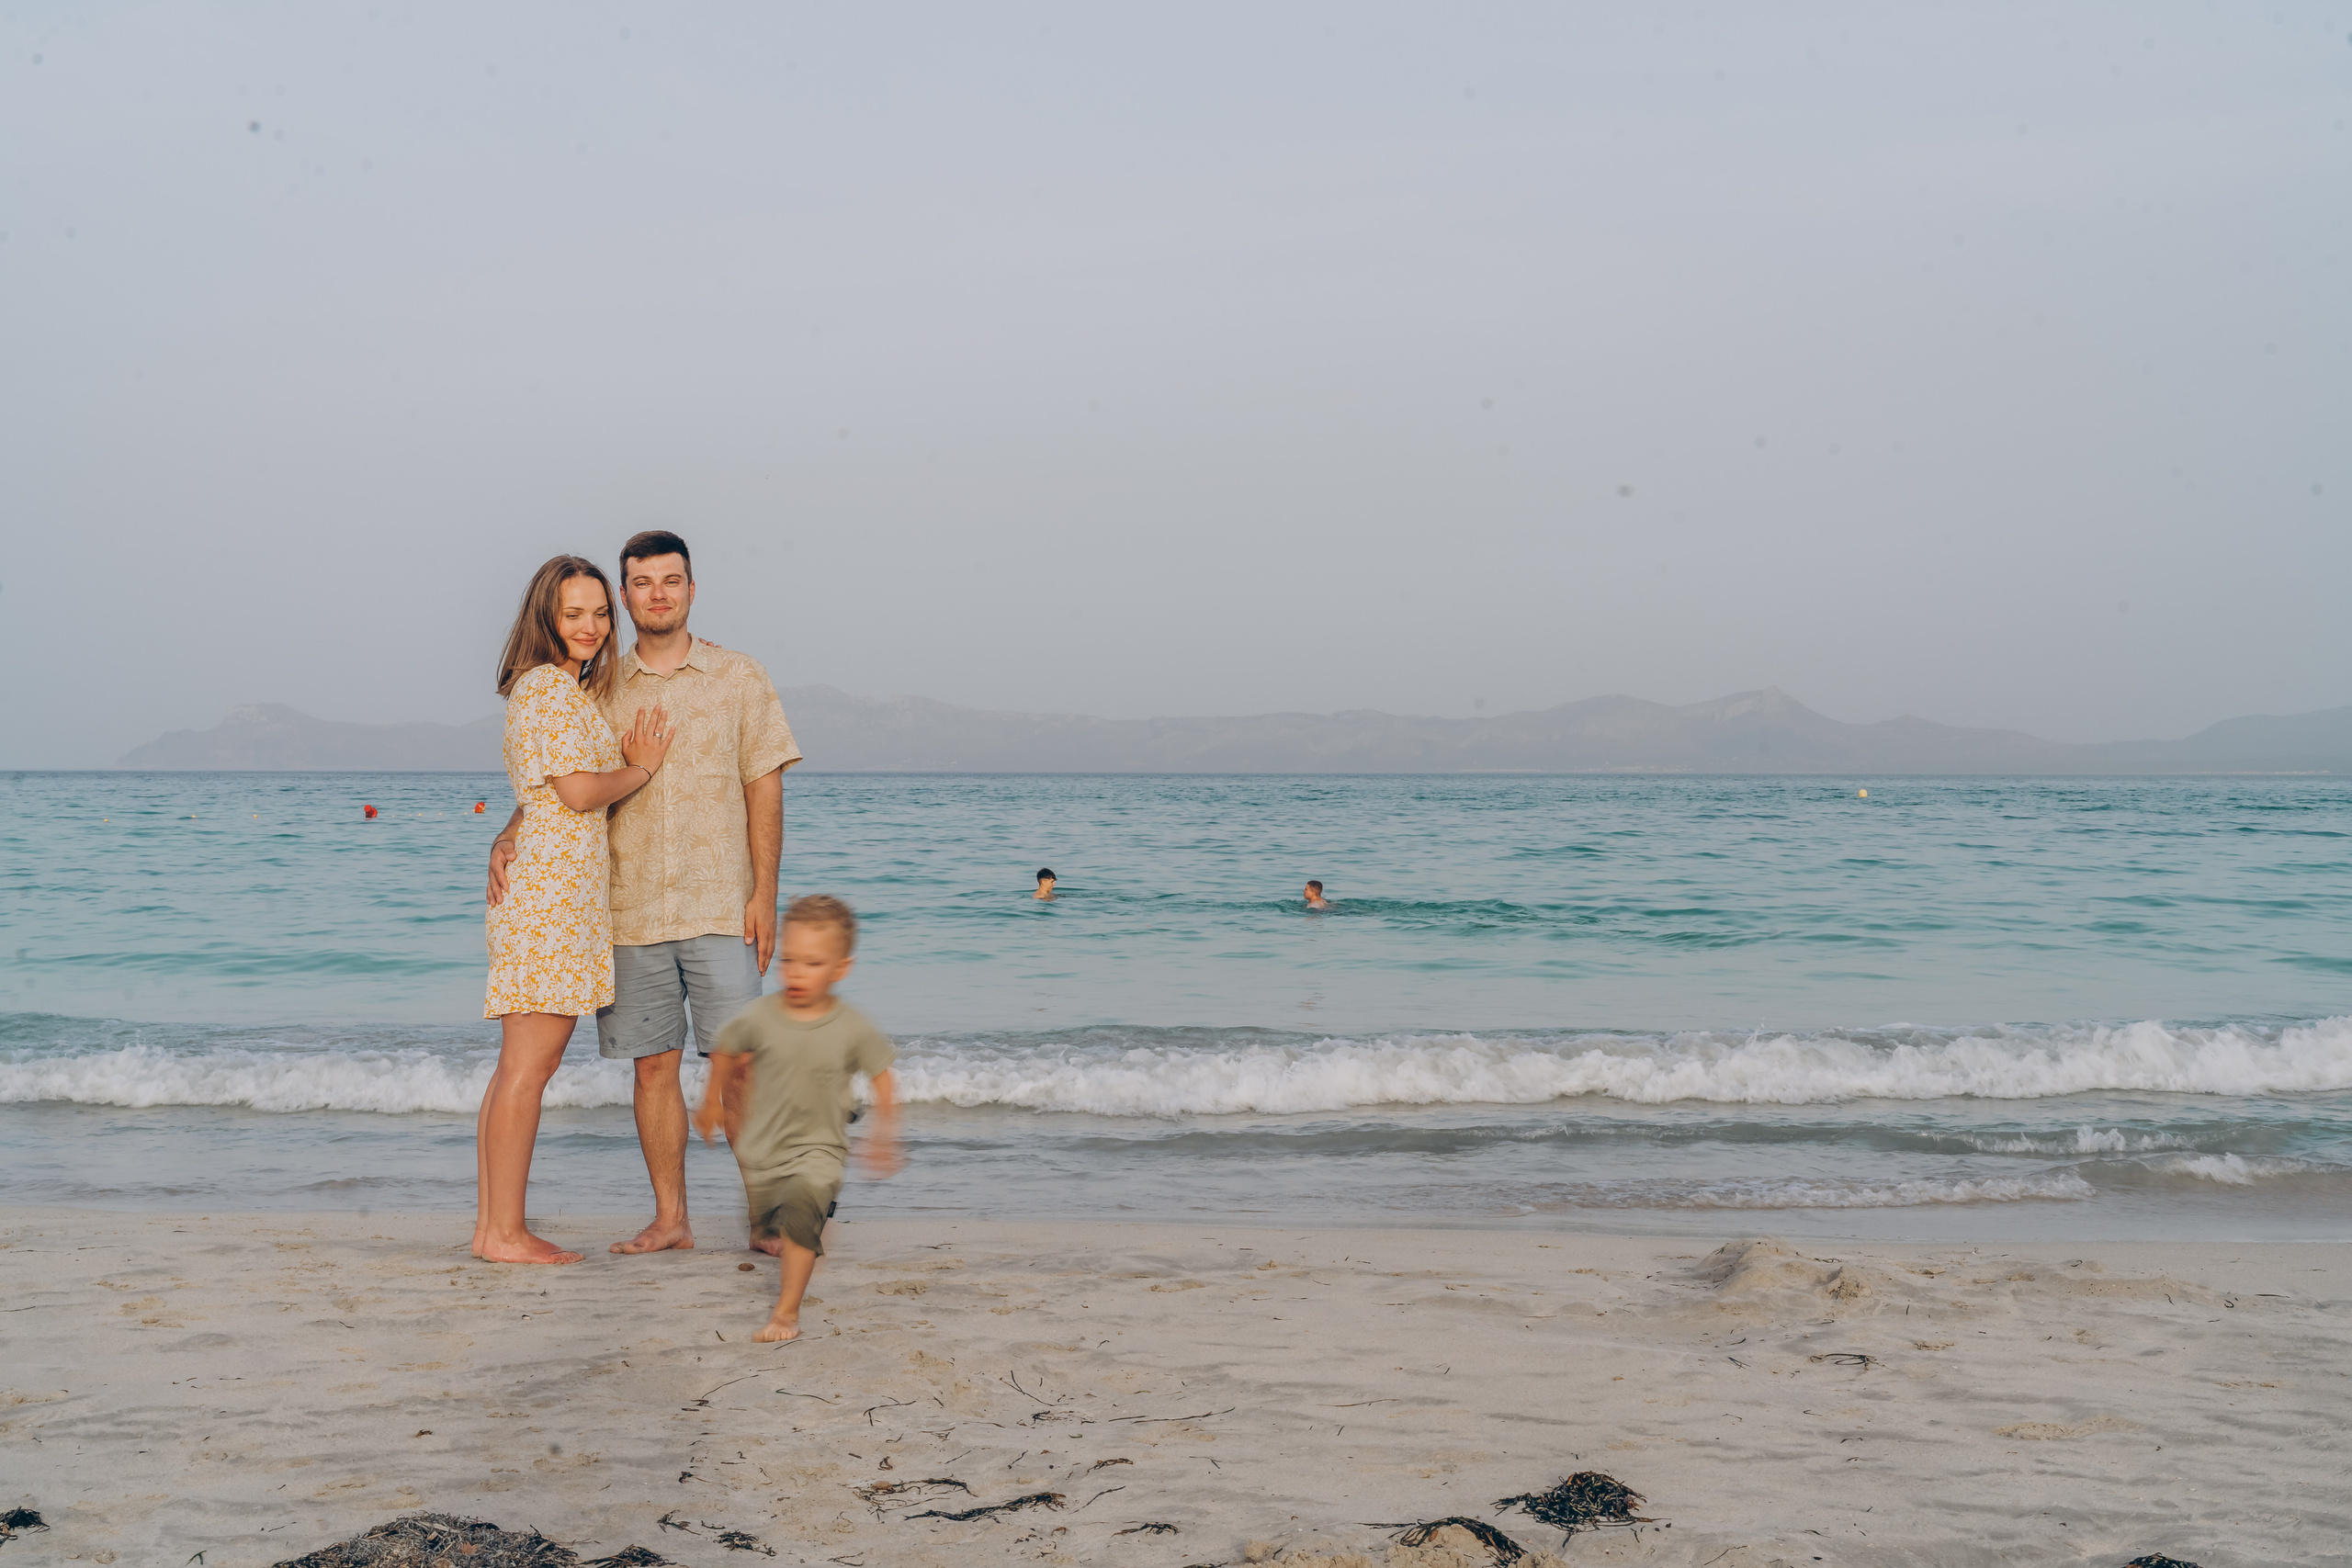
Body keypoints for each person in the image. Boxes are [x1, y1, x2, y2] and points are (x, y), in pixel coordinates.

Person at [488, 529, 802, 1257]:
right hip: (625, 911)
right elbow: (555, 777)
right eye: (642, 583)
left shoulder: (739, 677)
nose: (657, 593)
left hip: (722, 900)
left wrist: (767, 892)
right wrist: (507, 834)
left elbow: (766, 785)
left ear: (692, 589)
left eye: (671, 580)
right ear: (626, 597)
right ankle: (671, 1219)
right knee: (652, 1065)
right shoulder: (598, 684)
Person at [476, 556, 671, 1265]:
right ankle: (504, 1232)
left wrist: (510, 827)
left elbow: (539, 795)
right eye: (573, 613)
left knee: (516, 1071)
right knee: (529, 1070)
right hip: (550, 902)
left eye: (598, 613)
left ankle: (494, 1227)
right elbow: (579, 792)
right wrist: (641, 768)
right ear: (545, 618)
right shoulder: (550, 692)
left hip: (555, 894)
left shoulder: (554, 691)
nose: (589, 627)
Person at [693, 895, 901, 1343]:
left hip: (821, 1146)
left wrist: (884, 1135)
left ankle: (786, 1312)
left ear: (840, 969)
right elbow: (727, 1049)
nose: (797, 973)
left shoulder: (851, 1025)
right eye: (789, 960)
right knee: (772, 1212)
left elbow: (884, 1078)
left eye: (812, 963)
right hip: (767, 1146)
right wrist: (712, 1101)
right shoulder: (763, 1015)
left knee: (801, 1221)